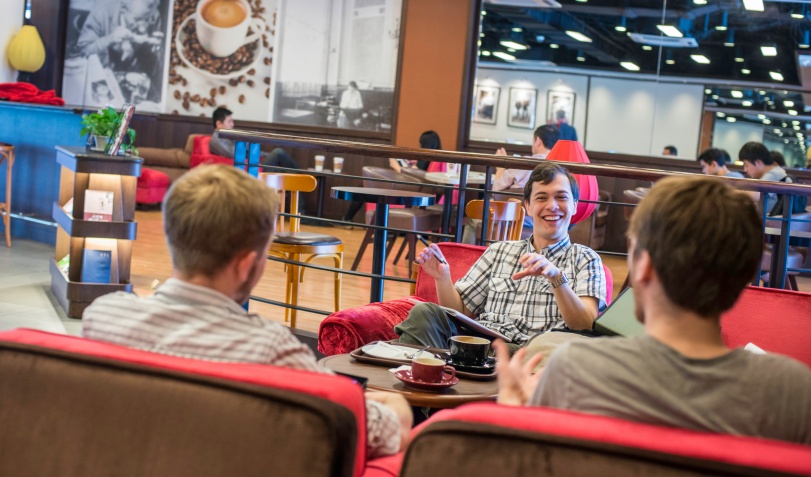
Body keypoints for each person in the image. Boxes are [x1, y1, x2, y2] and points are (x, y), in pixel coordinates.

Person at [81, 165, 412, 457]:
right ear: (247, 264)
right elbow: (384, 433)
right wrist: (396, 403)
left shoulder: (103, 317)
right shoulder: (270, 350)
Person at [495, 175, 811, 445]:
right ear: (743, 275)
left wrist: (510, 416)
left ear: (643, 266)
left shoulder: (572, 369)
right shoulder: (794, 392)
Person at [395, 162, 606, 351]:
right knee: (424, 313)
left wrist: (555, 278)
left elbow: (585, 323)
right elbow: (460, 310)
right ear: (529, 207)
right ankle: (418, 380)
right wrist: (442, 277)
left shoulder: (585, 259)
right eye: (542, 197)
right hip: (480, 343)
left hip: (530, 352)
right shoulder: (500, 250)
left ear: (575, 205)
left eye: (561, 197)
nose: (552, 206)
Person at [341, 130, 442, 226]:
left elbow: (416, 175)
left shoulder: (427, 157)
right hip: (413, 189)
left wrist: (396, 166)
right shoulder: (436, 157)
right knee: (364, 186)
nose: (419, 146)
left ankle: (347, 219)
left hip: (408, 189)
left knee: (364, 187)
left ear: (426, 145)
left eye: (421, 144)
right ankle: (347, 219)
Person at [209, 107, 299, 171]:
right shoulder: (216, 139)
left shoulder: (229, 136)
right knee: (278, 152)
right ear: (219, 124)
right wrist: (247, 141)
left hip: (252, 162)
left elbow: (250, 151)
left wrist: (267, 155)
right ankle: (303, 173)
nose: (232, 124)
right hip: (248, 167)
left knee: (284, 170)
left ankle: (301, 176)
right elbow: (232, 154)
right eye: (229, 121)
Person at [739, 141, 805, 215]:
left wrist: (727, 191)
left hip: (773, 224)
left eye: (746, 165)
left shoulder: (774, 173)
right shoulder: (775, 172)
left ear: (758, 162)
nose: (745, 170)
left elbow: (753, 195)